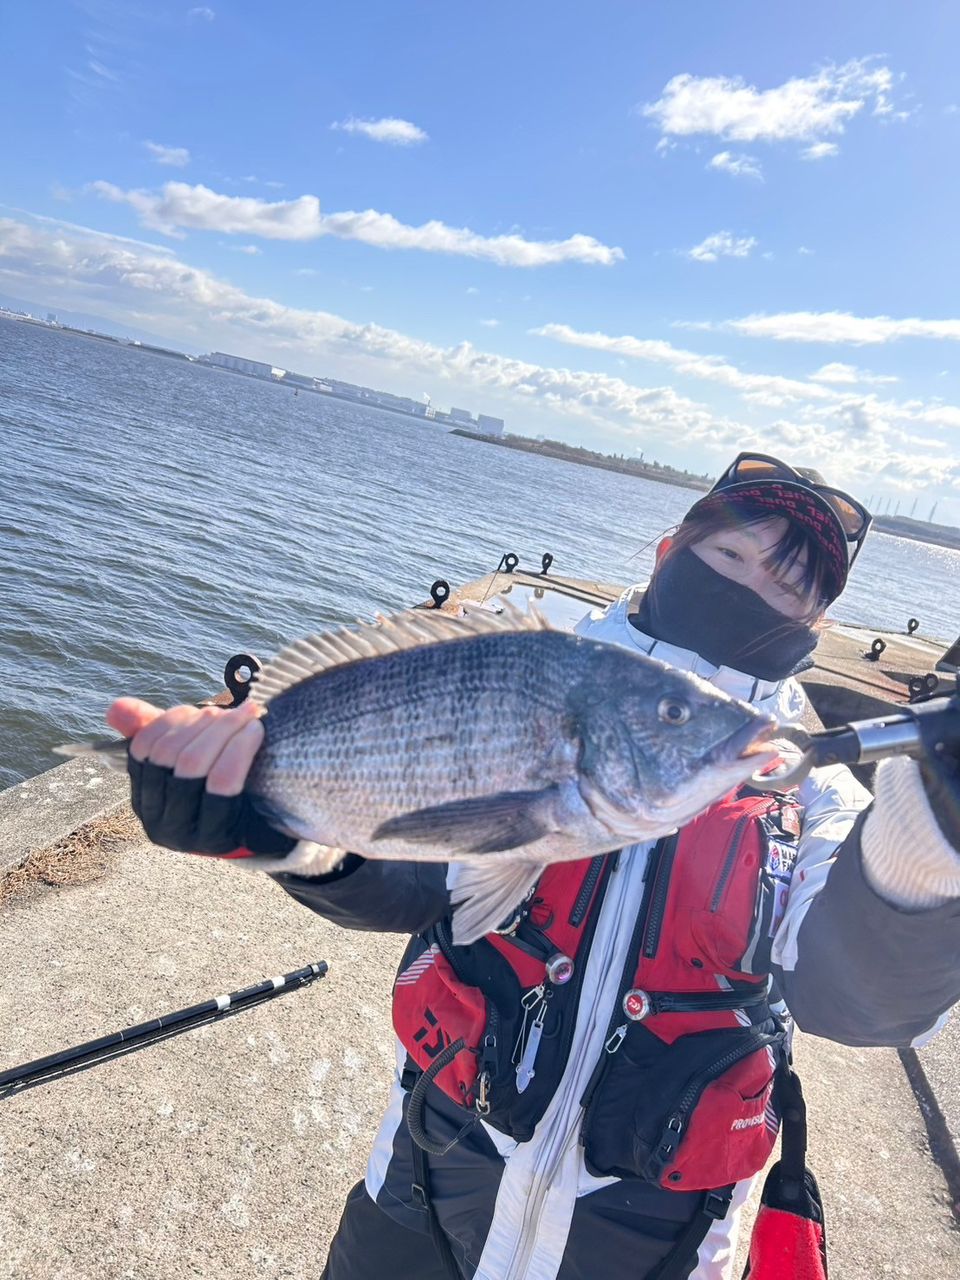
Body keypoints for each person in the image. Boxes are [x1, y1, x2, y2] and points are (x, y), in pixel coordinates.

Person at [106, 452, 960, 1280]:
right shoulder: (540, 670)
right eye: (732, 554)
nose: (750, 589)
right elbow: (420, 882)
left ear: (818, 630)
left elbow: (863, 1003)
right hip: (430, 1170)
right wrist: (278, 832)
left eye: (790, 587)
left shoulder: (812, 795)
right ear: (667, 554)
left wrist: (932, 834)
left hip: (658, 1239)